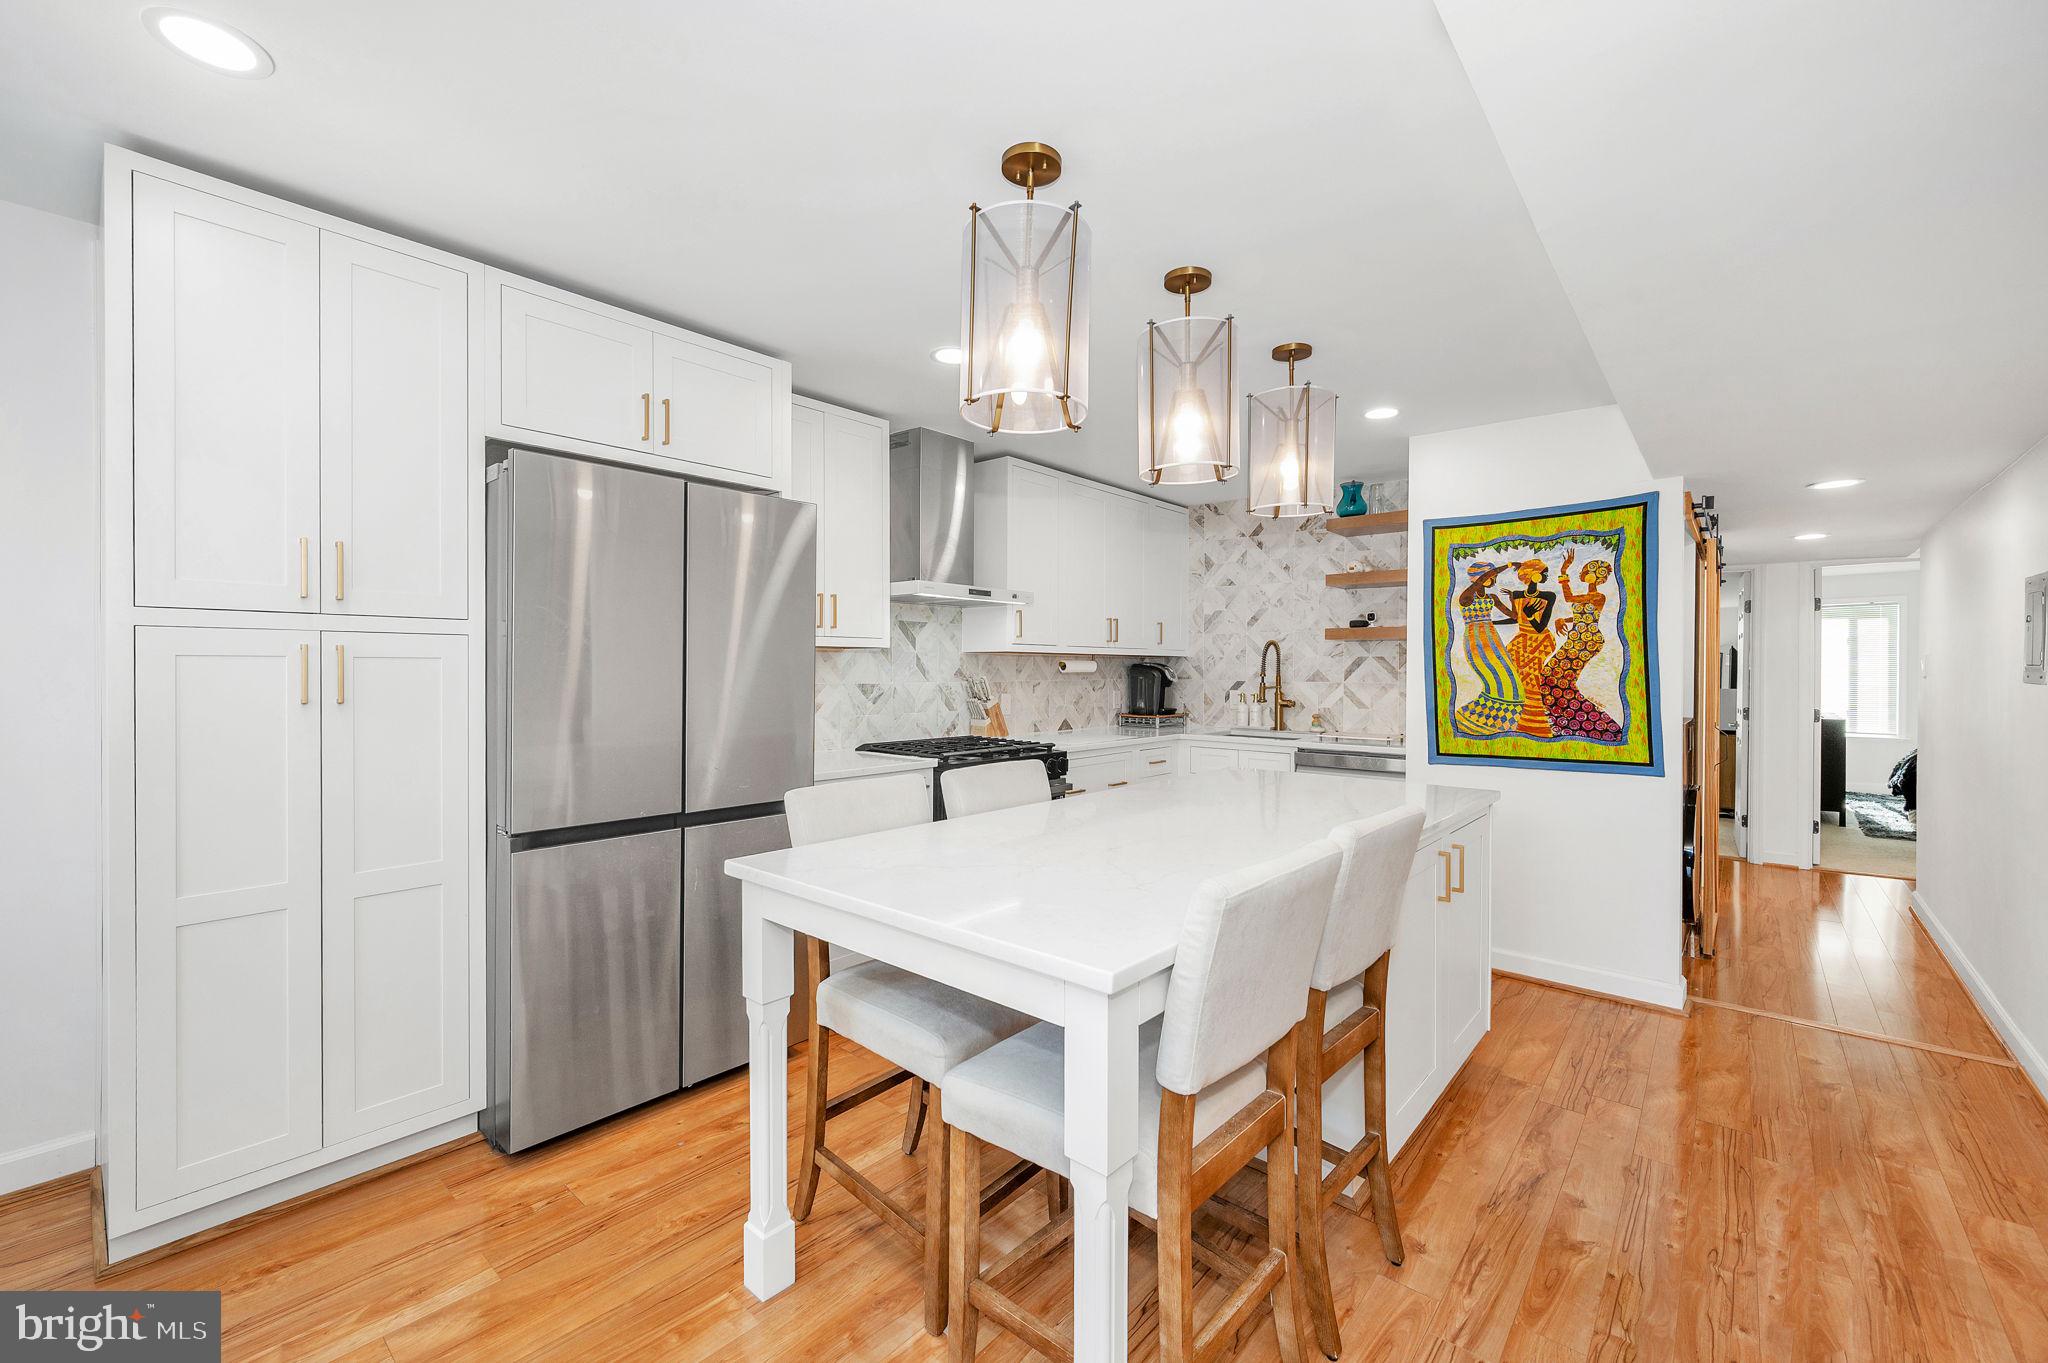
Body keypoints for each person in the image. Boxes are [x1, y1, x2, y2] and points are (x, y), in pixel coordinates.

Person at [1537, 551, 1624, 742]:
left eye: (1587, 570)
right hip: (1577, 639)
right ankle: (1566, 722)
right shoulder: (1588, 597)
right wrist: (1563, 619)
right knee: (1551, 678)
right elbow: (1582, 614)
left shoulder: (1598, 596)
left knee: (1557, 679)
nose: (1584, 572)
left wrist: (1563, 571)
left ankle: (1594, 725)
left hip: (1587, 640)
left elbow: (1570, 600)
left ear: (1596, 575)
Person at [1452, 561, 1520, 735]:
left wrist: (1513, 600)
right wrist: (1508, 565)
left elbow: (1514, 617)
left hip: (1492, 637)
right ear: (1480, 577)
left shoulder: (1492, 598)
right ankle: (1480, 718)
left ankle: (1503, 718)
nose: (1494, 578)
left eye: (1494, 575)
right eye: (1492, 575)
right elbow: (1480, 581)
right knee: (1493, 677)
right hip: (1475, 639)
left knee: (1509, 676)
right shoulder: (1466, 597)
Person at [1503, 558, 1558, 737]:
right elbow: (1514, 619)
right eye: (1544, 572)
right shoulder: (1517, 594)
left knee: (1532, 680)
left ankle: (1537, 724)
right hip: (1521, 639)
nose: (1547, 575)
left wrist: (1531, 615)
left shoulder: (1549, 596)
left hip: (1540, 640)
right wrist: (1489, 621)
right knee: (1514, 677)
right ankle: (1517, 719)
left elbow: (1540, 627)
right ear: (1534, 574)